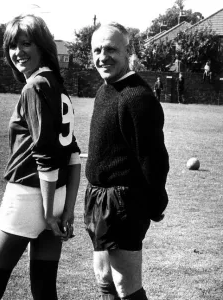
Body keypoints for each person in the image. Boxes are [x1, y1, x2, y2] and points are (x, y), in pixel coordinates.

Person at [0, 14, 81, 300]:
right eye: (12, 45)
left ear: (42, 46)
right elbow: (72, 155)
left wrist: (47, 212)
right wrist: (66, 209)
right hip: (56, 196)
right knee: (45, 288)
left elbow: (47, 156)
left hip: (28, 197)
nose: (17, 52)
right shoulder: (56, 83)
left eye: (26, 43)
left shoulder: (34, 86)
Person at [84, 22, 169, 300]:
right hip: (98, 198)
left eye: (111, 49)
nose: (102, 56)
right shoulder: (105, 90)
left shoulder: (136, 97)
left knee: (126, 286)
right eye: (97, 50)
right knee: (104, 278)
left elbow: (154, 160)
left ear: (128, 51)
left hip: (123, 203)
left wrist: (155, 204)